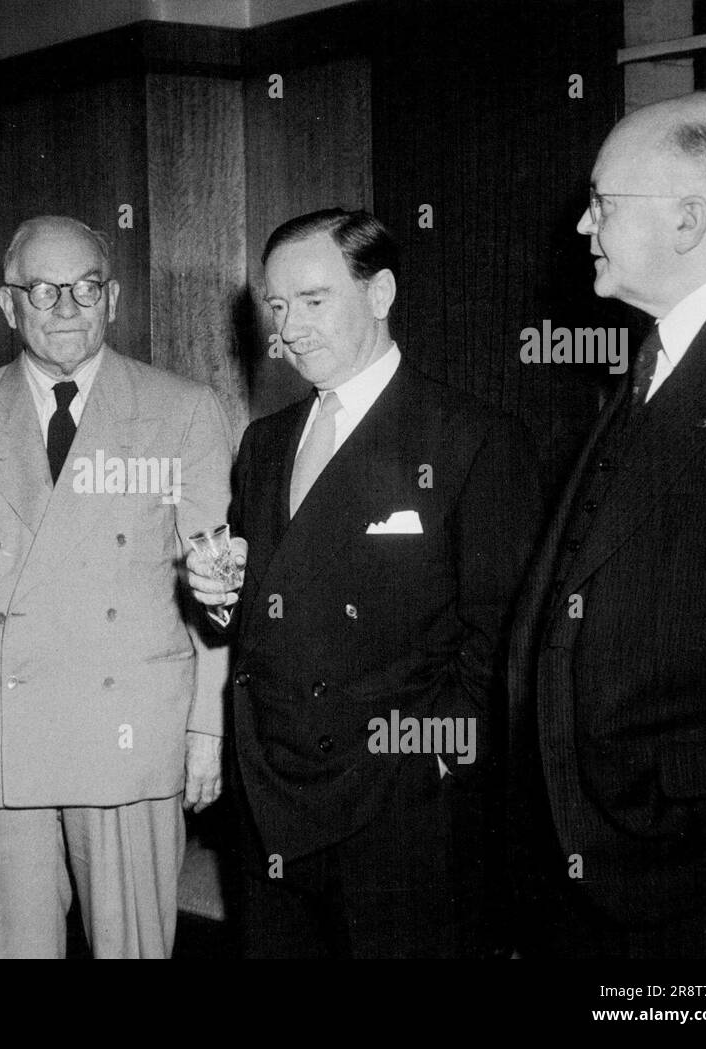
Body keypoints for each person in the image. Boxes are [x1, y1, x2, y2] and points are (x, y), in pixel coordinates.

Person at [188, 208, 541, 958]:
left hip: (402, 811)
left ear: (380, 293)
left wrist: (432, 760)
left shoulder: (472, 437)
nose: (288, 329)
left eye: (313, 301)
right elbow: (265, 608)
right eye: (277, 307)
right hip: (273, 793)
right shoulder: (266, 441)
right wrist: (219, 594)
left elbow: (505, 636)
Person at [0, 215, 232, 958]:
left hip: (132, 733)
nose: (68, 308)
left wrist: (207, 729)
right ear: (7, 304)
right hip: (2, 732)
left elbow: (216, 591)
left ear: (112, 297)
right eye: (44, 291)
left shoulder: (184, 410)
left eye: (86, 288)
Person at [509, 91, 706, 958]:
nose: (585, 227)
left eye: (603, 203)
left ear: (692, 218)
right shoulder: (661, 352)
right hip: (606, 854)